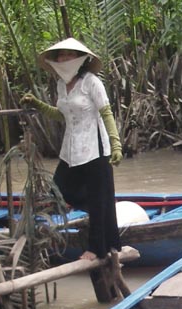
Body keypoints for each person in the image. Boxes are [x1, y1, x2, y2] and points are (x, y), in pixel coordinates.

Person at [21, 37, 122, 261]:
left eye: (69, 55)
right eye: (60, 55)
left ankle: (97, 249)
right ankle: (93, 224)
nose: (64, 59)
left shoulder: (91, 82)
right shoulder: (60, 85)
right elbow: (61, 114)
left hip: (96, 150)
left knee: (98, 200)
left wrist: (116, 144)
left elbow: (106, 112)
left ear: (80, 59)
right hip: (71, 149)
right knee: (59, 190)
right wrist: (37, 104)